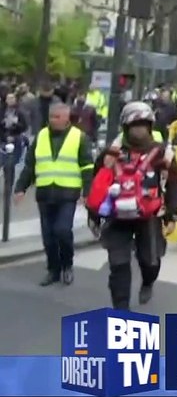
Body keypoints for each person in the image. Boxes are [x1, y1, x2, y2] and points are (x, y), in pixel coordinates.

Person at [92, 102, 177, 309]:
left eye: (143, 124)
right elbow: (98, 183)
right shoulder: (111, 153)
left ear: (150, 127)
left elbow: (173, 185)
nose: (139, 129)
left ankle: (148, 281)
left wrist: (171, 214)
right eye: (134, 125)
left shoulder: (163, 153)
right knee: (118, 265)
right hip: (117, 216)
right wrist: (94, 214)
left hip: (149, 216)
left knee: (150, 261)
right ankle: (121, 310)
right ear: (126, 127)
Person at [12, 102, 94, 286]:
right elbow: (30, 165)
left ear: (67, 118)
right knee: (48, 236)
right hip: (45, 193)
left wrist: (87, 192)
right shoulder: (41, 136)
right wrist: (20, 188)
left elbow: (87, 167)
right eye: (51, 117)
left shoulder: (78, 137)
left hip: (68, 192)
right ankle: (53, 270)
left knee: (62, 231)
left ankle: (67, 265)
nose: (53, 120)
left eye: (57, 117)